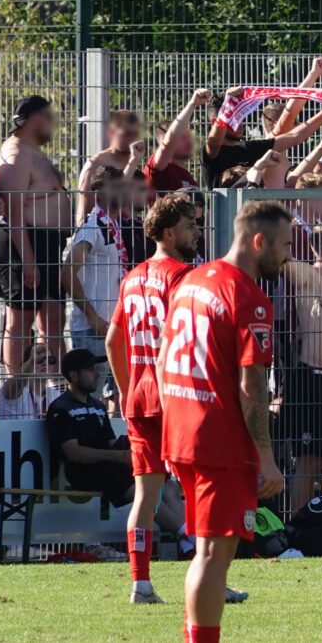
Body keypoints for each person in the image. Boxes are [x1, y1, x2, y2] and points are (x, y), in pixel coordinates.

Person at [160, 201, 293, 643]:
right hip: (219, 440)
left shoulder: (191, 280)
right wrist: (267, 457)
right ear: (259, 242)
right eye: (285, 245)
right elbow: (253, 389)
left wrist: (176, 417)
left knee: (205, 550)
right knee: (216, 554)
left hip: (184, 432)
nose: (287, 256)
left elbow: (162, 359)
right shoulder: (249, 298)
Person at [105, 193, 202, 602]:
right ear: (169, 232)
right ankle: (209, 578)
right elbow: (183, 338)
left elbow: (113, 341)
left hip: (141, 399)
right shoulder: (183, 277)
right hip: (178, 396)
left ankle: (140, 583)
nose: (197, 231)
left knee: (146, 495)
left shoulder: (132, 278)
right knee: (199, 488)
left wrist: (129, 391)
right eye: (190, 225)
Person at [46, 347, 186, 535]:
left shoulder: (96, 406)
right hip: (85, 473)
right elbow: (74, 453)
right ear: (73, 375)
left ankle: (188, 534)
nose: (96, 374)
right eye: (90, 370)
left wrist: (133, 447)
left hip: (110, 465)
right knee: (144, 490)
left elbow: (111, 441)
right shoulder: (60, 408)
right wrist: (119, 456)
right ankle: (186, 535)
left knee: (165, 481)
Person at [0, 95, 72, 377]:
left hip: (50, 245)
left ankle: (55, 389)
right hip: (24, 244)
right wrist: (28, 261)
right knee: (20, 321)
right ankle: (15, 392)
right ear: (36, 119)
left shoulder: (33, 151)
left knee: (53, 323)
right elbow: (14, 213)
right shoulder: (15, 155)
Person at [63, 166, 134, 401]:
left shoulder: (111, 227)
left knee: (111, 398)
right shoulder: (92, 228)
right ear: (100, 193)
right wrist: (93, 317)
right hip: (92, 329)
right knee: (87, 399)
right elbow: (67, 274)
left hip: (111, 328)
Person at [203, 90, 322, 189]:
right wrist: (228, 106)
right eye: (233, 118)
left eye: (241, 116)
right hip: (226, 220)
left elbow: (296, 136)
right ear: (215, 122)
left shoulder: (248, 148)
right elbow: (213, 143)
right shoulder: (211, 153)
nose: (240, 123)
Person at [77, 109, 145, 221]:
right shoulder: (97, 163)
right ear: (111, 134)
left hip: (128, 234)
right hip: (106, 234)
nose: (133, 139)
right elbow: (85, 214)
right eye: (127, 134)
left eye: (135, 134)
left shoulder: (133, 159)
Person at [146, 89, 212, 195]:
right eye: (182, 137)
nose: (189, 140)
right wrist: (192, 104)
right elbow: (169, 142)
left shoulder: (186, 175)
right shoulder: (160, 168)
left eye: (188, 136)